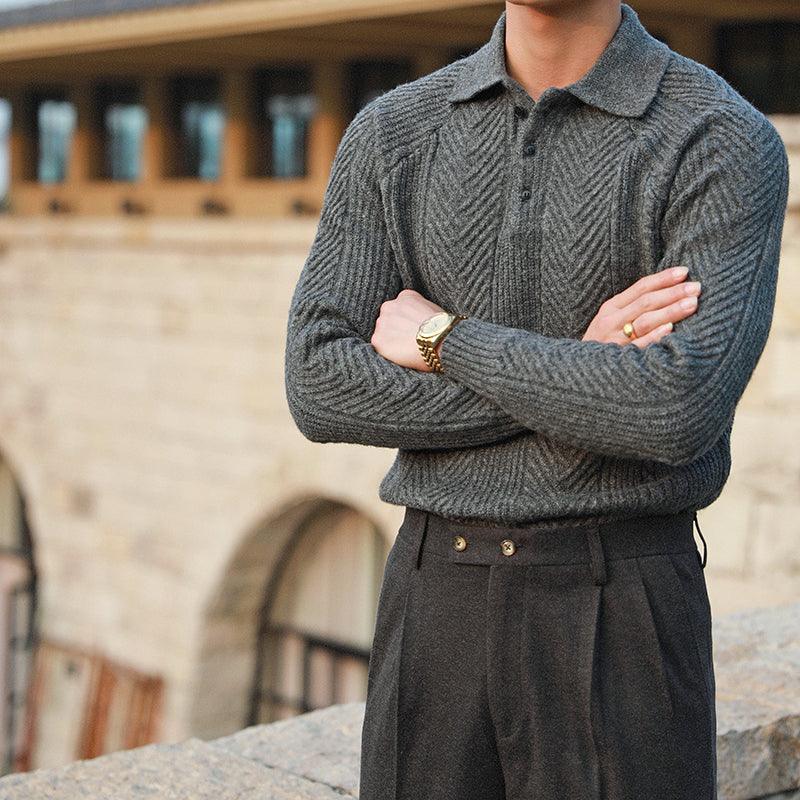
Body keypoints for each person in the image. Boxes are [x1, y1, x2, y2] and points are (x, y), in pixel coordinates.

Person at [283, 1, 790, 798]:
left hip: (621, 595)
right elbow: (319, 383)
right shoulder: (395, 131)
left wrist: (446, 341)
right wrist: (581, 371)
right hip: (434, 590)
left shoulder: (718, 136)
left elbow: (672, 409)